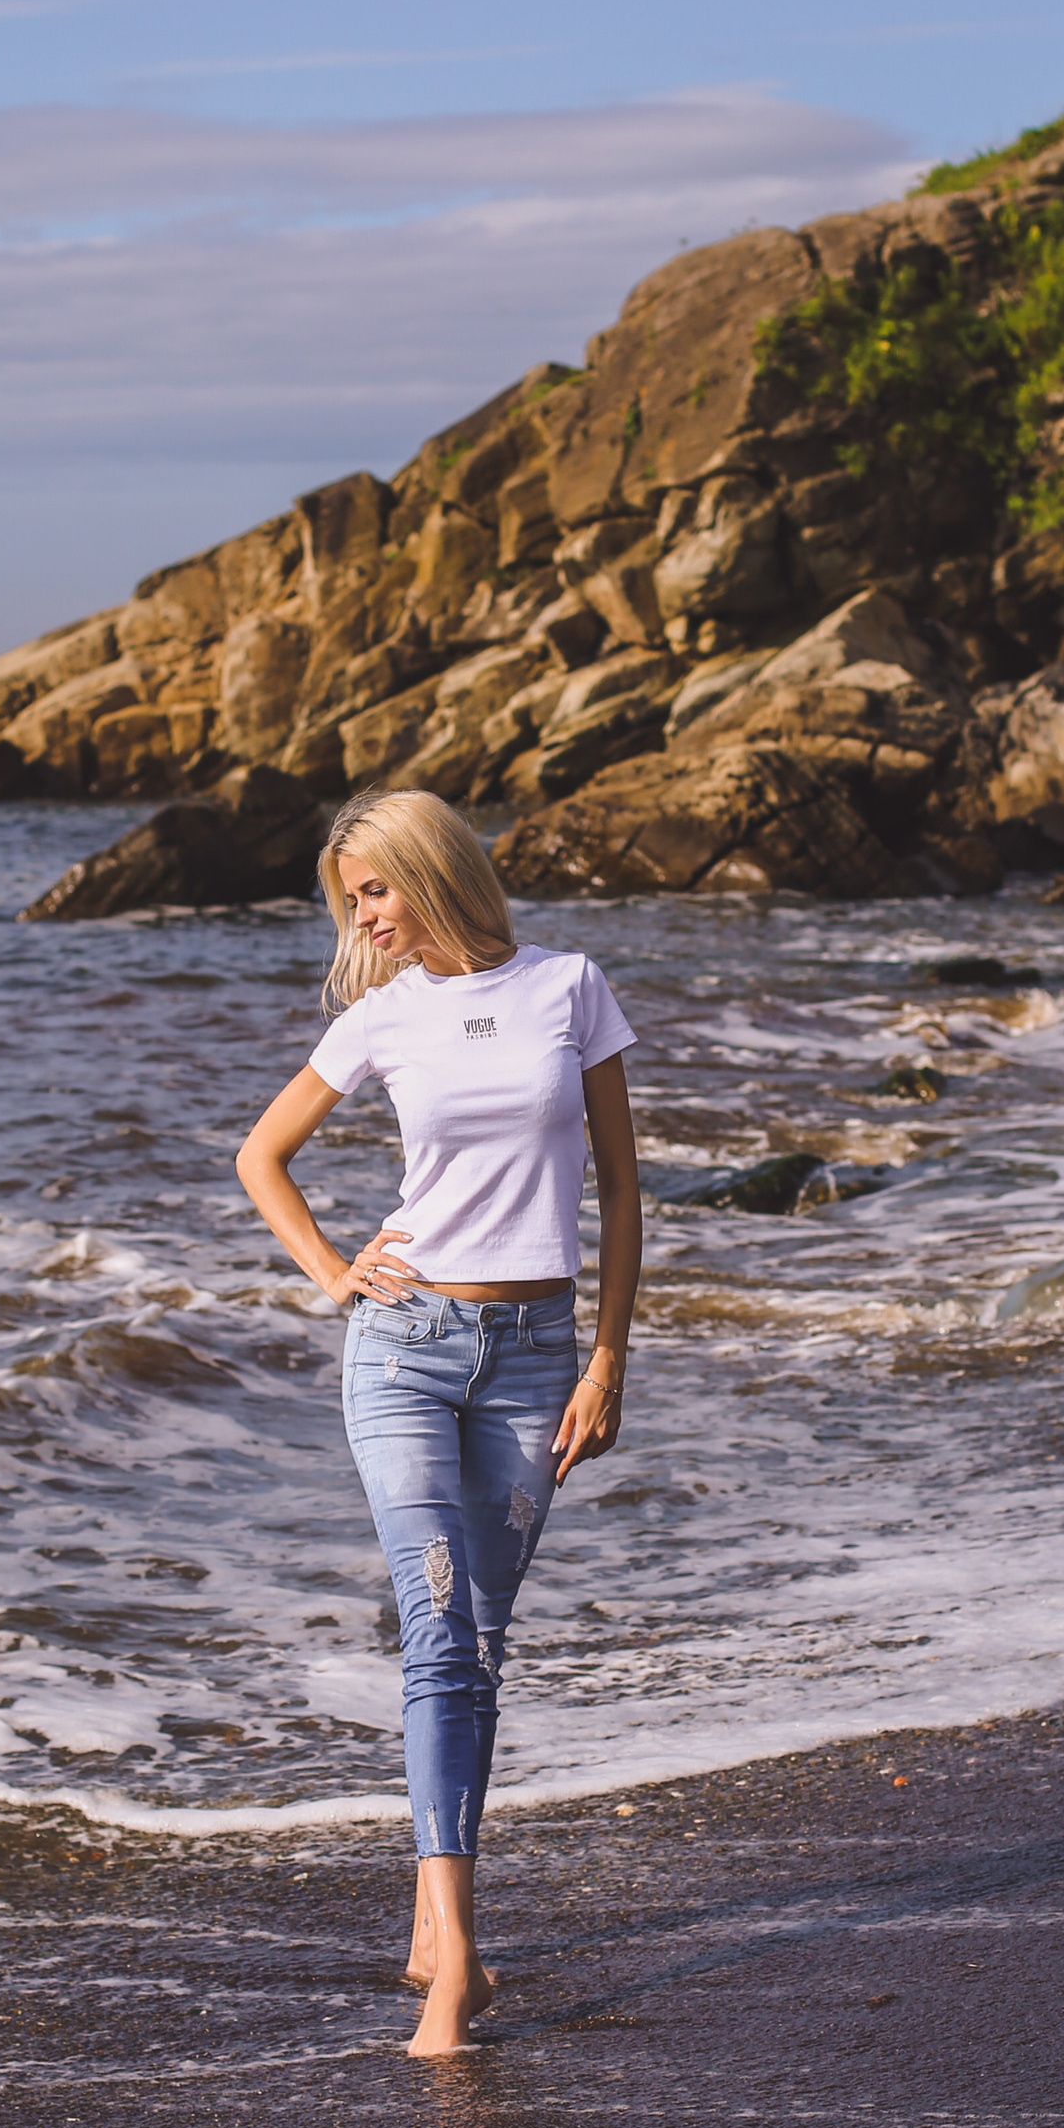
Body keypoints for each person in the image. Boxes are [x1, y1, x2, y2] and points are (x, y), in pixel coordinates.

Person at [235, 786, 642, 2056]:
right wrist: (332, 1272)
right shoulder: (380, 1016)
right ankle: (458, 1966)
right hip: (402, 1350)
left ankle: (430, 1928)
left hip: (533, 1359)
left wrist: (606, 1361)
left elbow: (622, 1189)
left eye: (374, 889)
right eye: (348, 898)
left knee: (478, 1640)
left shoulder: (569, 988)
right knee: (438, 1631)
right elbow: (260, 1156)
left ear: (431, 870)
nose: (362, 916)